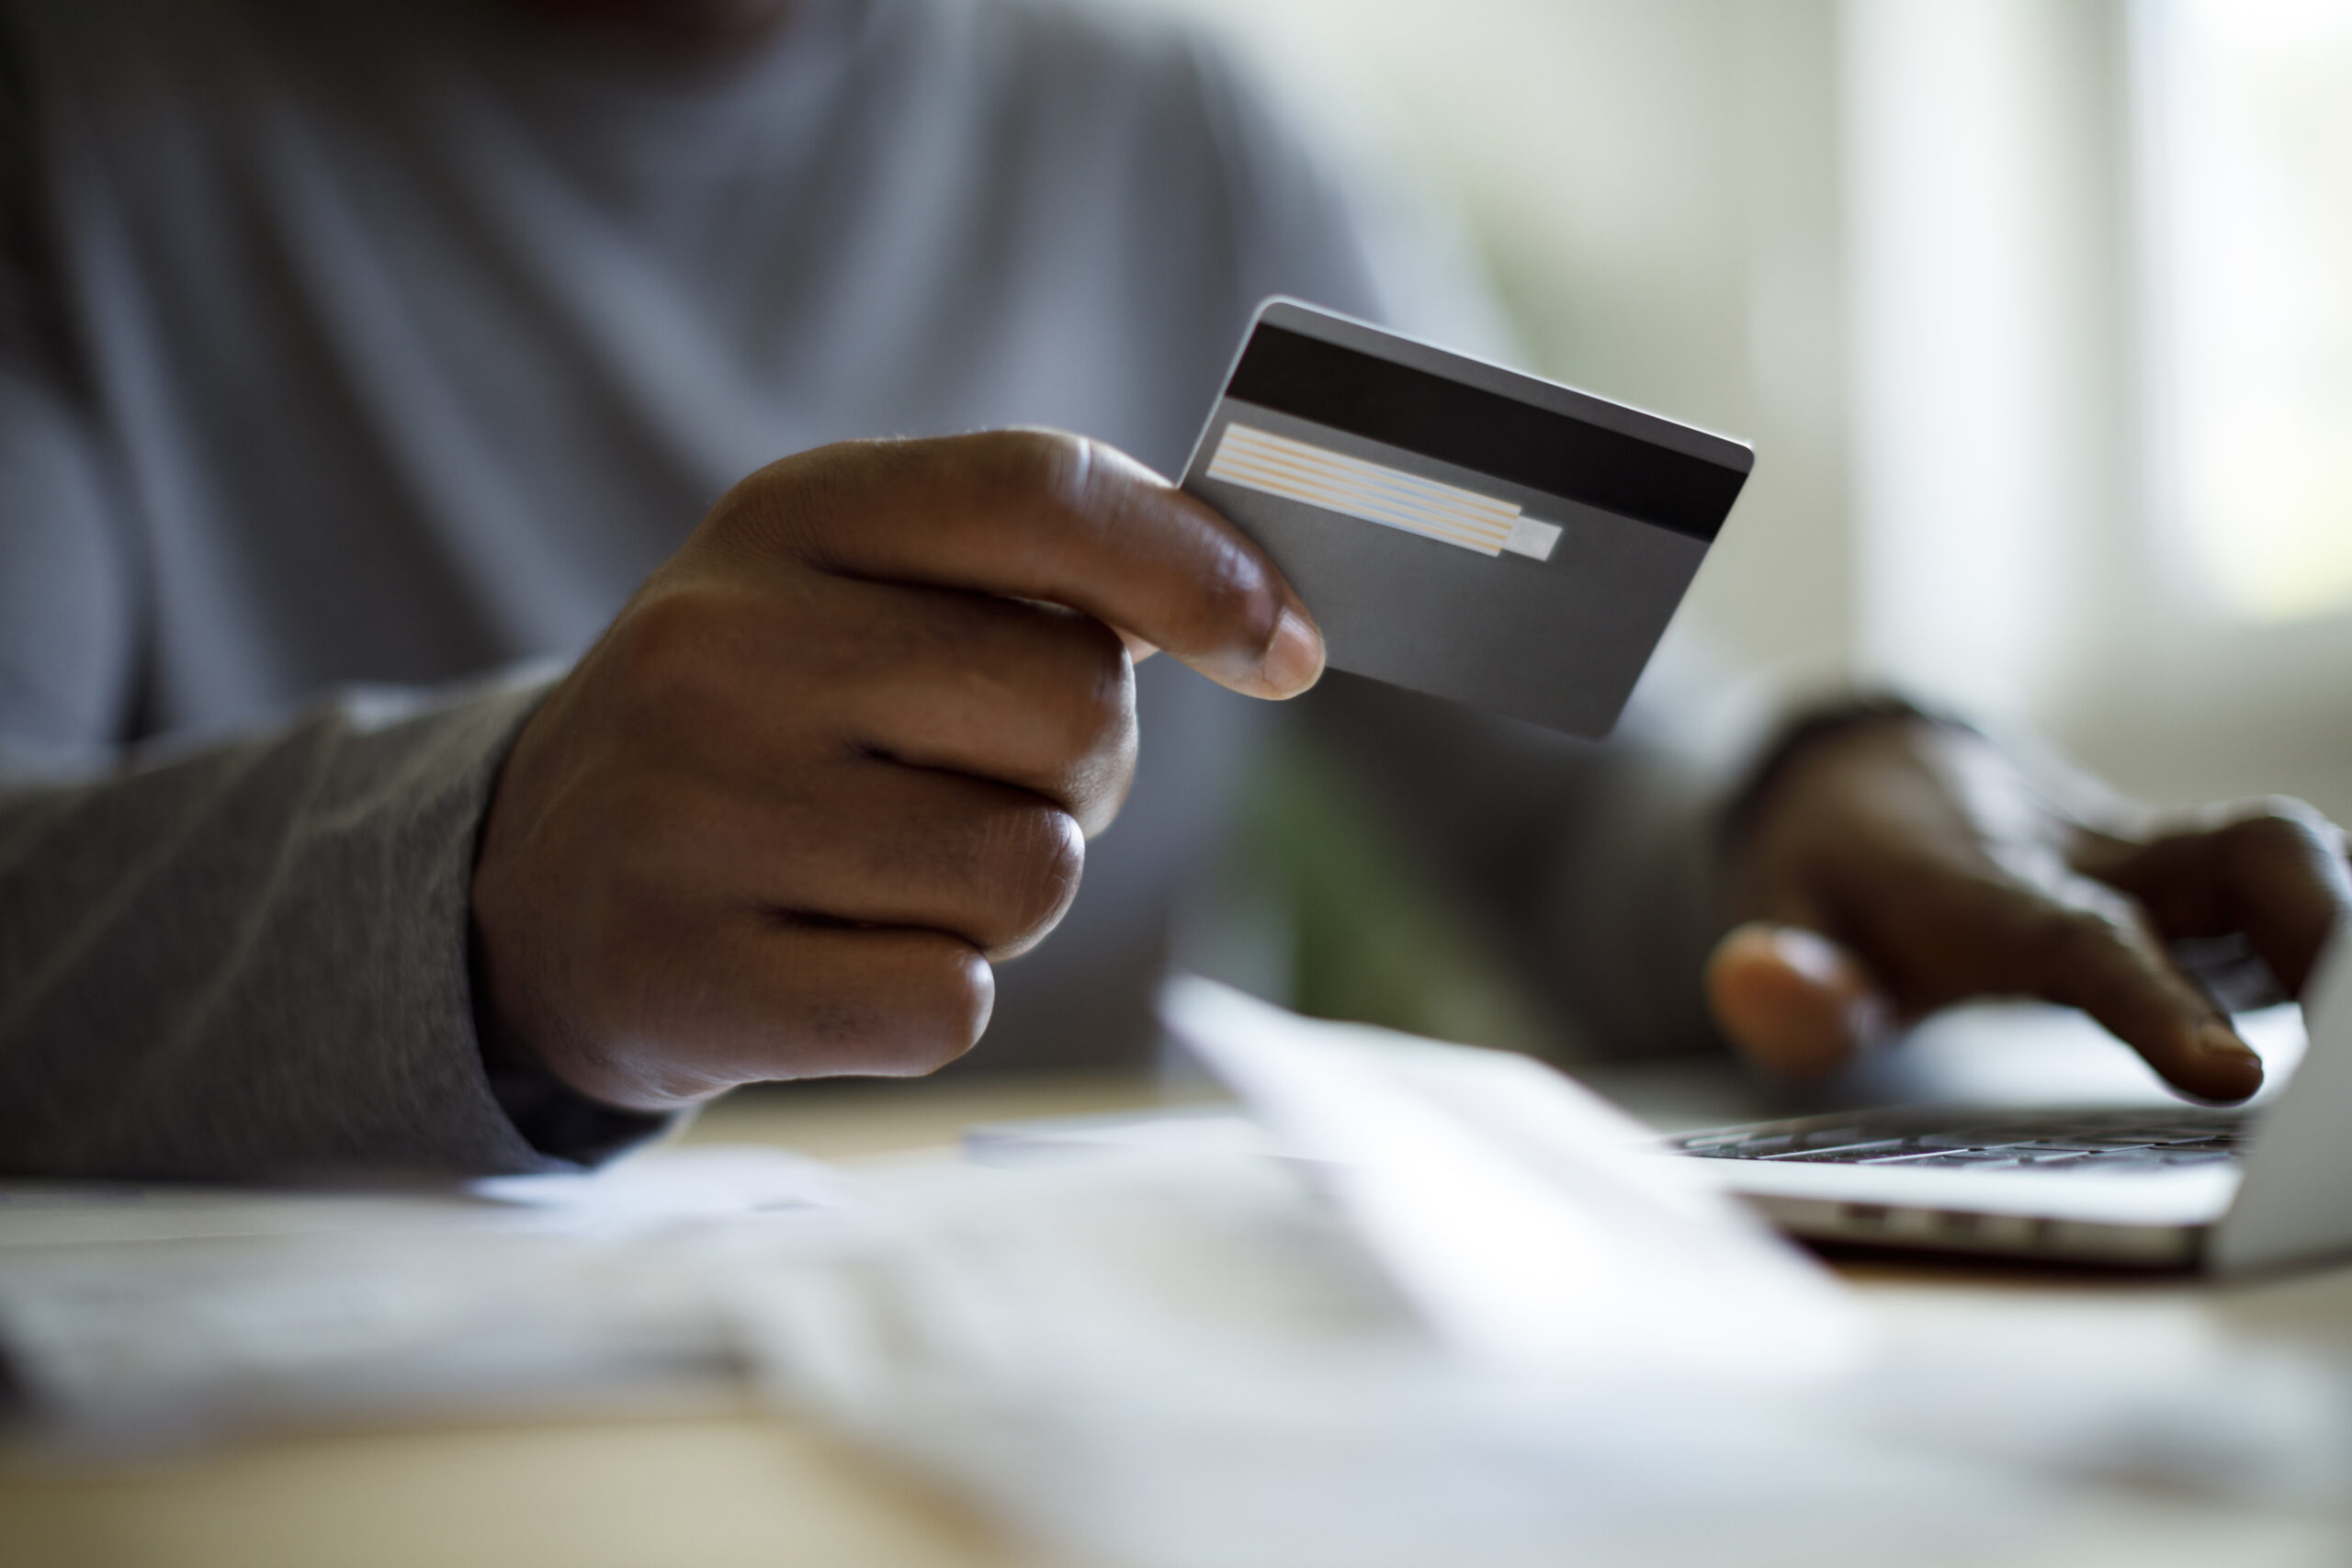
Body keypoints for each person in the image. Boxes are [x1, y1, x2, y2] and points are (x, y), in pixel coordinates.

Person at [1, 0, 2344, 1179]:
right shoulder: (73, 117)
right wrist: (486, 882)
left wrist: (1807, 801)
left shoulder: (1167, 131)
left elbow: (1563, 782)